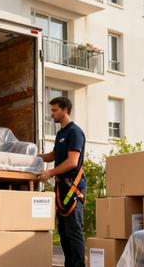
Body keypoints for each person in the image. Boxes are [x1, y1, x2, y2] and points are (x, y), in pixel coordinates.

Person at [38, 96, 86, 267]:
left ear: (65, 110)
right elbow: (54, 155)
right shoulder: (61, 134)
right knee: (64, 234)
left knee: (74, 233)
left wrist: (49, 172)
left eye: (54, 110)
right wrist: (35, 158)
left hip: (73, 189)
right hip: (62, 189)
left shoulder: (75, 132)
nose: (51, 114)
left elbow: (72, 161)